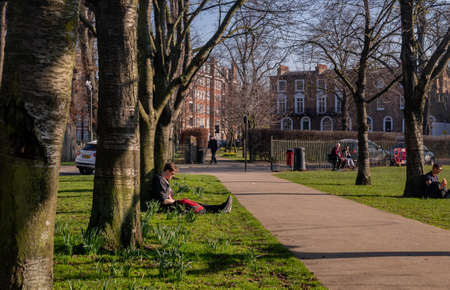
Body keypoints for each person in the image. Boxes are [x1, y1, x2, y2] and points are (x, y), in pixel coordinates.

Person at [151, 162, 233, 213]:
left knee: (198, 204)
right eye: (172, 174)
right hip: (168, 206)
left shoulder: (164, 180)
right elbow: (163, 200)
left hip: (171, 204)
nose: (173, 176)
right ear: (167, 171)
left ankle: (222, 207)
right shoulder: (159, 180)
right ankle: (221, 209)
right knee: (197, 207)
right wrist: (176, 201)